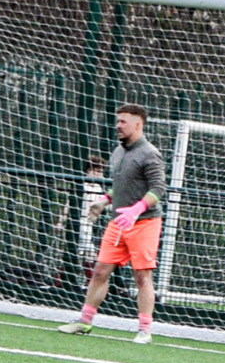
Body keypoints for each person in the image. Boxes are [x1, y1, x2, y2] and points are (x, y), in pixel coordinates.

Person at [58, 104, 165, 346]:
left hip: (145, 223)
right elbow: (122, 185)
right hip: (118, 222)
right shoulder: (117, 152)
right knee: (99, 271)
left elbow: (158, 189)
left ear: (138, 124)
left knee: (142, 276)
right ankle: (85, 321)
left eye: (123, 122)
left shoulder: (150, 153)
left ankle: (144, 330)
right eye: (118, 121)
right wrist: (104, 200)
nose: (118, 126)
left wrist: (136, 209)